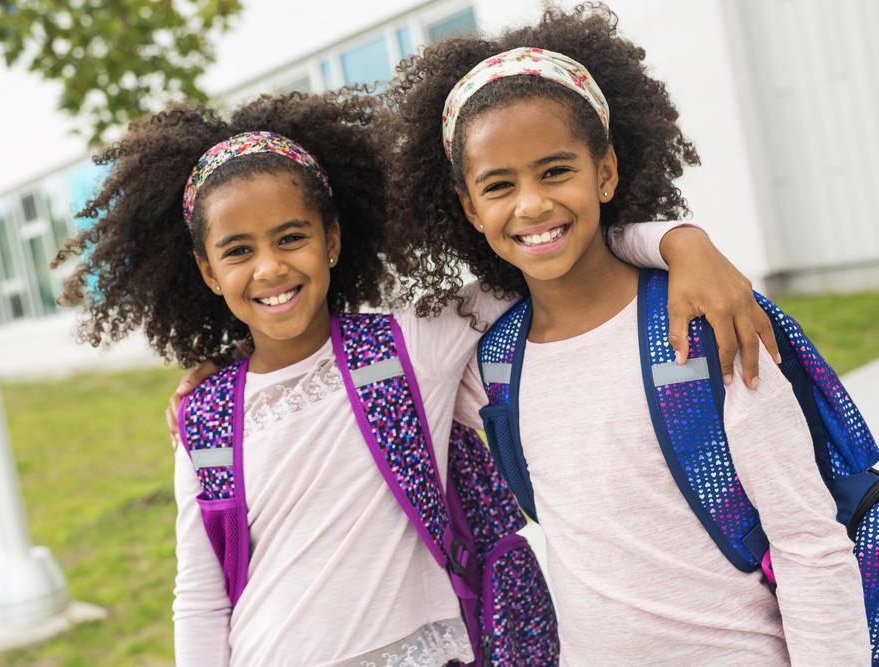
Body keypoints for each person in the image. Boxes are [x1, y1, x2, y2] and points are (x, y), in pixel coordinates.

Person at [62, 88, 771, 665]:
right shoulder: (207, 417)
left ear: (333, 239)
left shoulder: (409, 345)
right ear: (208, 272)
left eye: (291, 238)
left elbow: (540, 251)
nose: (270, 268)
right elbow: (200, 594)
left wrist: (679, 241)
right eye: (239, 251)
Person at [382, 3, 871, 664]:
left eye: (556, 171)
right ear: (469, 208)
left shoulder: (702, 321)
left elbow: (808, 541)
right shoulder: (493, 364)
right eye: (499, 185)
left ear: (605, 171)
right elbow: (344, 344)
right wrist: (229, 363)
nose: (531, 204)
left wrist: (680, 245)